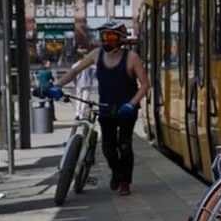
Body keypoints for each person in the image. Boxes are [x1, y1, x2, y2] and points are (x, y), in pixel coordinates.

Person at [46, 21, 150, 196]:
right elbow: (75, 71)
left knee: (124, 145)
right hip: (106, 107)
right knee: (108, 148)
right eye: (104, 36)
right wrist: (58, 85)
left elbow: (145, 85)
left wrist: (131, 104)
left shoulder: (132, 58)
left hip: (126, 109)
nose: (106, 40)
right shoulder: (96, 55)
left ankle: (125, 181)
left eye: (110, 36)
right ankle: (117, 174)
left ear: (121, 39)